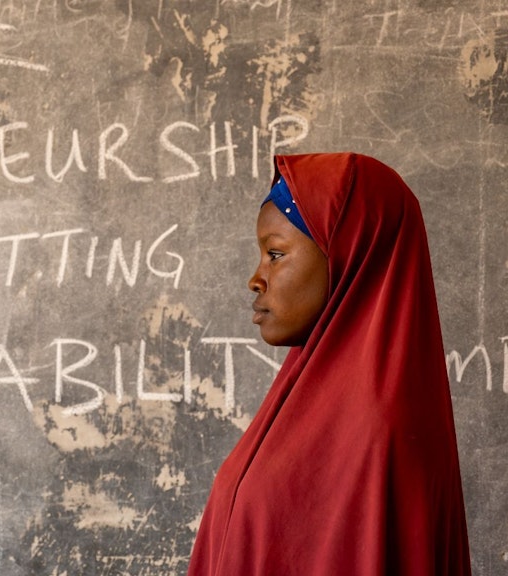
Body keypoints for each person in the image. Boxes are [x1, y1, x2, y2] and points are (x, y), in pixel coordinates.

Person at [187, 153, 471, 575]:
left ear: (350, 254)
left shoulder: (379, 432)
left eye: (276, 254)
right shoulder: (299, 398)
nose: (256, 278)